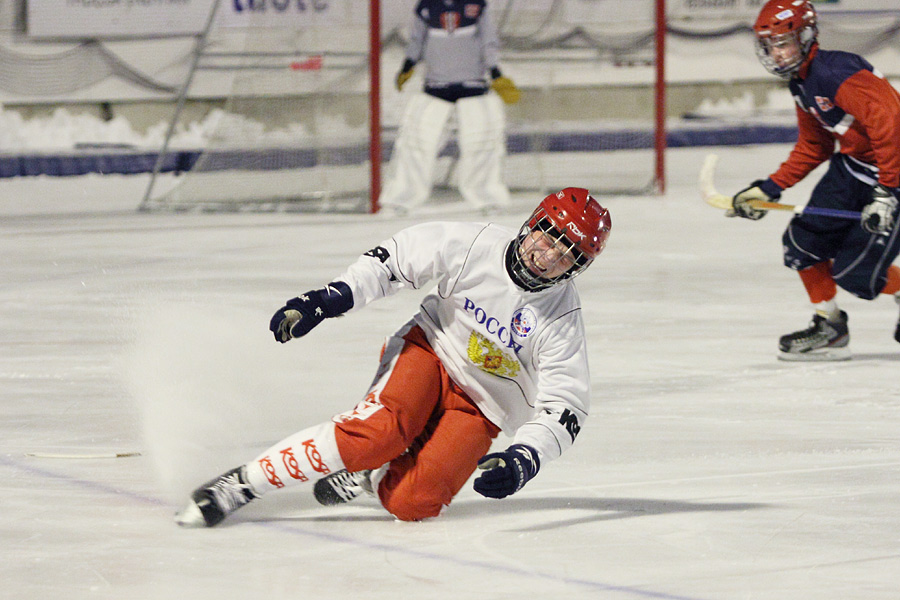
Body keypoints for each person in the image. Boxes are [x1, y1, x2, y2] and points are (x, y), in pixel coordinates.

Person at [175, 187, 611, 527]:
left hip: (484, 405)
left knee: (413, 504)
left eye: (566, 255)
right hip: (431, 349)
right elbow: (395, 261)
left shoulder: (561, 319)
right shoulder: (474, 244)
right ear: (532, 223)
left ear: (576, 268)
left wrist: (525, 458)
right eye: (550, 236)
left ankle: (367, 475)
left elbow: (566, 407)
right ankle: (242, 484)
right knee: (378, 433)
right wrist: (330, 299)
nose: (548, 256)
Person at [727, 0, 900, 361]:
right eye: (770, 46)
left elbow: (892, 122)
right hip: (853, 168)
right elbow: (813, 145)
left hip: (893, 173)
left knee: (856, 274)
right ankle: (830, 327)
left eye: (784, 42)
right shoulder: (802, 83)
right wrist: (770, 187)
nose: (777, 53)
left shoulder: (836, 72)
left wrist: (888, 190)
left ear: (806, 37)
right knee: (802, 243)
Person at [378, 0, 520, 216]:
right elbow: (417, 39)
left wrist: (495, 72)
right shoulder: (426, 7)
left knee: (483, 143)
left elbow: (488, 40)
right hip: (435, 86)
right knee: (414, 142)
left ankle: (489, 199)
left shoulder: (477, 5)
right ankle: (400, 199)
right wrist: (409, 63)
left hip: (473, 85)